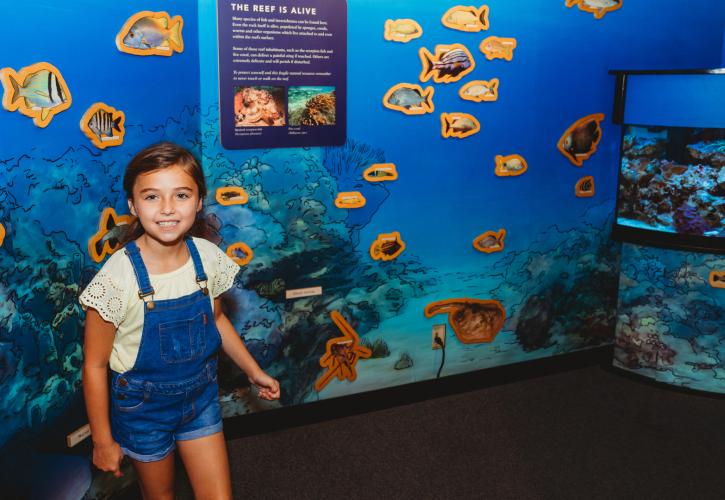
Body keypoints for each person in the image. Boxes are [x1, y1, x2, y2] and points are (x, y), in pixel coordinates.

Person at [80, 142, 280, 499]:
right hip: (143, 410)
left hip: (201, 396)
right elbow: (94, 365)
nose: (168, 209)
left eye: (182, 195)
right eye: (152, 197)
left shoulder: (208, 257)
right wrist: (102, 439)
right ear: (132, 205)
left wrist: (253, 371)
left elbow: (217, 320)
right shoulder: (116, 278)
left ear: (200, 201)